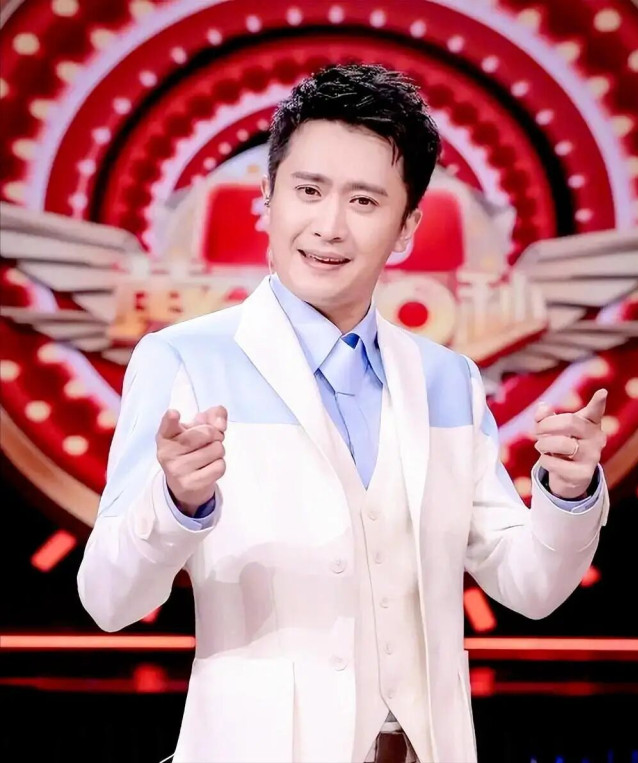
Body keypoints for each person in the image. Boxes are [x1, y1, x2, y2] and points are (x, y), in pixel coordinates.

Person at [77, 64, 609, 763]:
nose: (329, 226)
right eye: (308, 191)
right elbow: (107, 599)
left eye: (363, 201)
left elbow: (530, 587)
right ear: (266, 199)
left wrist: (569, 494)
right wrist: (177, 502)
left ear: (407, 227)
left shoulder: (448, 379)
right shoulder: (184, 359)